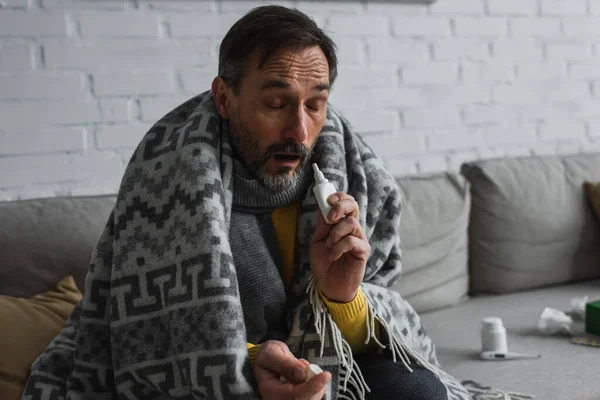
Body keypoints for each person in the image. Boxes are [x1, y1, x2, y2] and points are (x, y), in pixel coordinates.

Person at [22, 5, 471, 400]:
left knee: (418, 390)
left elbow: (378, 334)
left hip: (337, 355)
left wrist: (341, 295)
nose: (299, 130)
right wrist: (250, 361)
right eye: (276, 103)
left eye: (315, 105)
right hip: (231, 363)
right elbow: (160, 329)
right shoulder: (169, 178)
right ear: (224, 97)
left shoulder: (353, 173)